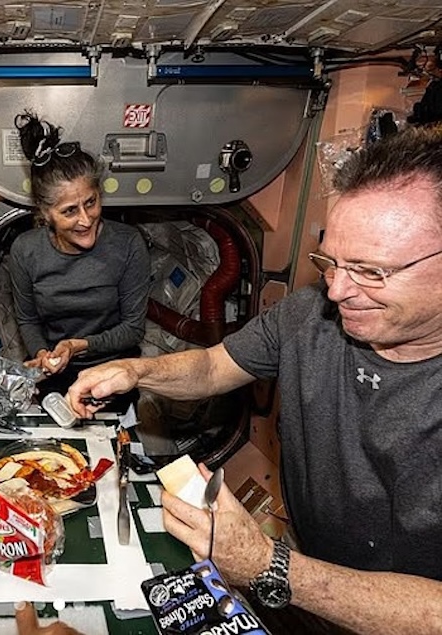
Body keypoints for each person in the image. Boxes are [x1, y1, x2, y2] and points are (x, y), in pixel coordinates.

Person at [66, 124, 442, 635]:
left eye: (370, 271)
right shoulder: (309, 315)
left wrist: (271, 566)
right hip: (309, 597)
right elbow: (214, 365)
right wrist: (135, 371)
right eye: (329, 263)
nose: (337, 291)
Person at [9, 111, 151, 411]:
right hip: (55, 376)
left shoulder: (128, 244)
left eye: (91, 202)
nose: (86, 220)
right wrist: (44, 353)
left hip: (116, 374)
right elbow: (28, 319)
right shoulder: (25, 251)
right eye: (70, 211)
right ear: (45, 213)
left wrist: (77, 346)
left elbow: (133, 328)